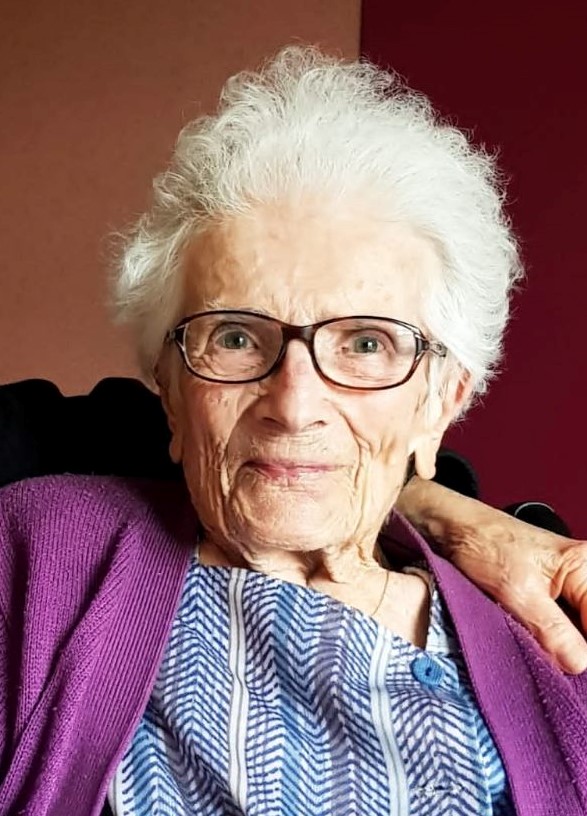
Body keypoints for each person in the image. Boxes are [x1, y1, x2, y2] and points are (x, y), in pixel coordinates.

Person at [1, 46, 587, 816]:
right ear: (167, 390)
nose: (294, 403)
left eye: (366, 343)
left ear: (441, 400)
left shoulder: (555, 644)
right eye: (236, 337)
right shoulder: (33, 566)